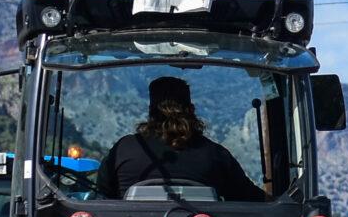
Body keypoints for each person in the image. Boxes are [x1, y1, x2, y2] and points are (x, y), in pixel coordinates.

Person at [106, 76, 264, 202]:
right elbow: (251, 199)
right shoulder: (215, 155)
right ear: (191, 110)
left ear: (150, 112)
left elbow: (102, 193)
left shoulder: (124, 150)